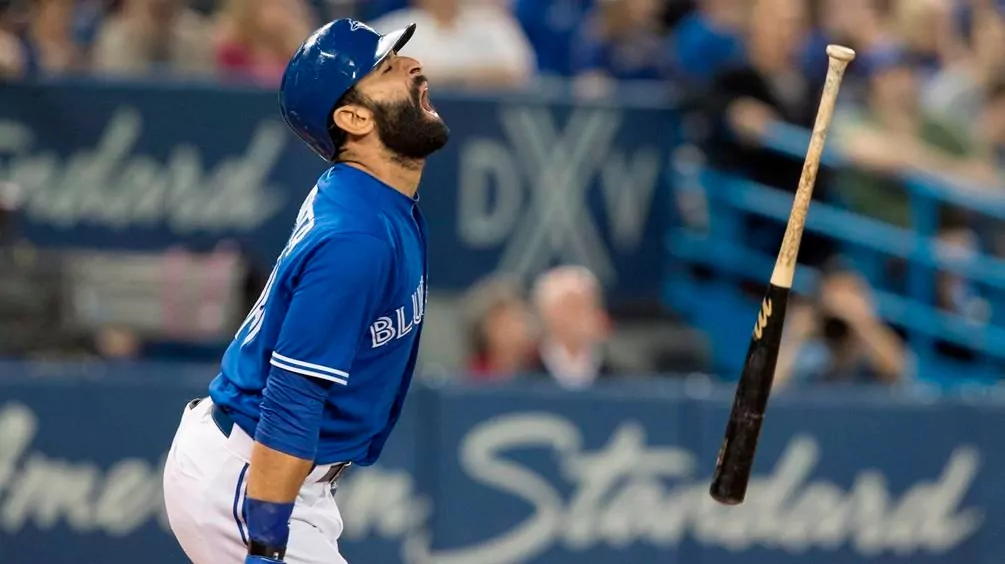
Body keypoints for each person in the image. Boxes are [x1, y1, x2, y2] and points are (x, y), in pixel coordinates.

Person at [161, 18, 449, 564]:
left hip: (258, 466)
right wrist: (265, 547)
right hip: (252, 480)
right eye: (388, 67)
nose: (415, 67)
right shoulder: (358, 238)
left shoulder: (369, 194)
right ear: (352, 117)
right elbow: (292, 400)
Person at [529, 265, 616, 388]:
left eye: (588, 304)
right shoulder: (528, 370)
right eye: (572, 306)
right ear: (547, 314)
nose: (582, 315)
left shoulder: (615, 374)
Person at [460, 274, 537, 381]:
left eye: (519, 319)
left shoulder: (540, 372)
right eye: (505, 323)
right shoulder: (472, 380)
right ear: (484, 329)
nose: (517, 329)